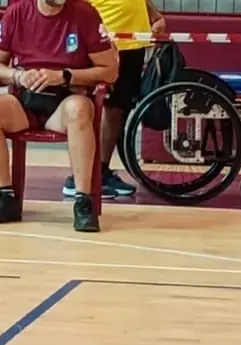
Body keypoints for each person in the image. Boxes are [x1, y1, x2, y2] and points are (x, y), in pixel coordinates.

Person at [0, 0, 119, 232]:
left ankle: (83, 201)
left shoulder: (85, 13)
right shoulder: (17, 13)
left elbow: (110, 71)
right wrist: (17, 76)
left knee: (79, 109)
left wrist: (65, 75)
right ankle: (6, 195)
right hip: (25, 100)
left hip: (65, 99)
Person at [61, 0, 166, 199]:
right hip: (107, 41)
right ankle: (80, 177)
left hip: (132, 41)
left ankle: (101, 170)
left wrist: (154, 15)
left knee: (117, 108)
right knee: (102, 108)